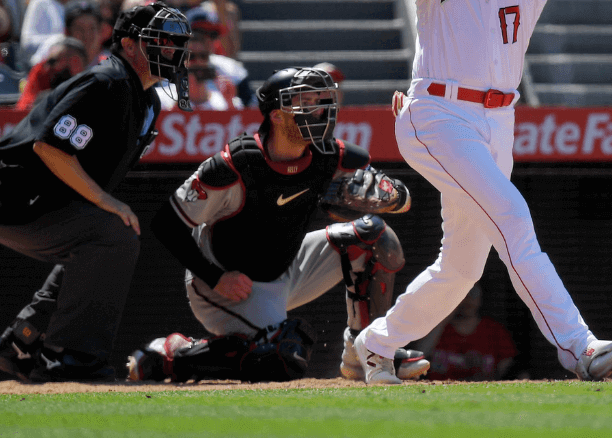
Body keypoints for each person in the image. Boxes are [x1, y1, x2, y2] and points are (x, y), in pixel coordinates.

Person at [352, 0, 612, 385]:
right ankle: (578, 347)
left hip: (497, 121)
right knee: (513, 218)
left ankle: (374, 345)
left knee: (460, 269)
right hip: (438, 113)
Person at [126, 66, 430, 383]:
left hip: (286, 265)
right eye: (305, 102)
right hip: (227, 284)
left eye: (320, 101)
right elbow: (166, 223)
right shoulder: (235, 164)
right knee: (284, 355)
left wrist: (392, 195)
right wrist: (215, 278)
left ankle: (367, 349)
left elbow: (401, 197)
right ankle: (173, 356)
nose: (319, 110)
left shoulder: (331, 156)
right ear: (276, 115)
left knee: (376, 236)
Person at [0, 2, 191, 382]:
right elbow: (49, 147)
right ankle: (70, 357)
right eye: (162, 42)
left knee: (101, 238)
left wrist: (104, 204)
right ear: (129, 45)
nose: (172, 52)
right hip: (3, 189)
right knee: (113, 233)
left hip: (31, 194)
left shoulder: (147, 101)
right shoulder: (107, 81)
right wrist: (106, 201)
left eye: (176, 44)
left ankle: (20, 344)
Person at [416, 285, 518, 381]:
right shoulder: (439, 328)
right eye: (463, 294)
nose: (468, 298)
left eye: (473, 293)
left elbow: (508, 373)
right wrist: (444, 317)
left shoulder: (495, 331)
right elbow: (419, 354)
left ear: (481, 297)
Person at [15, 35, 88, 110]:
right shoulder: (42, 71)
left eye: (53, 61)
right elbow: (23, 108)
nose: (48, 67)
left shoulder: (92, 80)